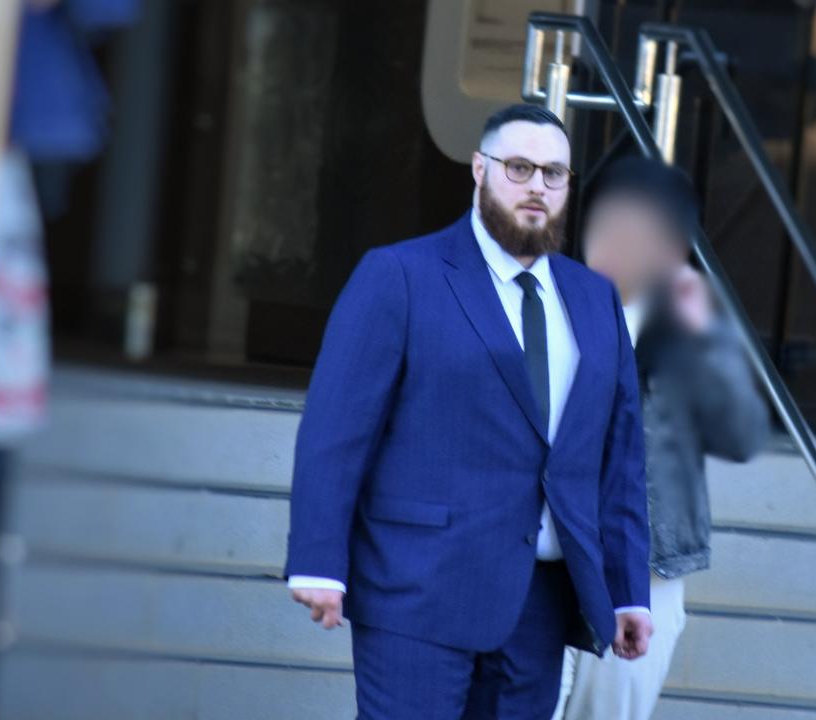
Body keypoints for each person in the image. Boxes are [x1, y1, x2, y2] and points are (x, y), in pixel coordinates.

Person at [285, 104, 654, 720]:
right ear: (479, 171)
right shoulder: (400, 275)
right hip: (417, 587)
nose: (538, 185)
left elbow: (619, 460)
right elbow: (336, 432)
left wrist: (626, 591)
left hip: (539, 601)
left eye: (555, 173)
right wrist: (318, 561)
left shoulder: (595, 299)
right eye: (519, 167)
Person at [553, 156, 769, 720]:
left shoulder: (687, 326)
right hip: (550, 555)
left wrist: (708, 339)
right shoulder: (550, 301)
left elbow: (743, 436)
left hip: (649, 568)